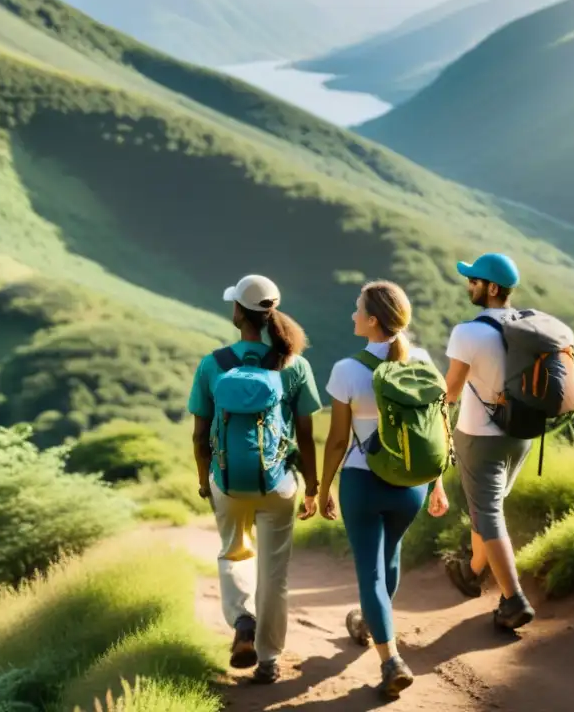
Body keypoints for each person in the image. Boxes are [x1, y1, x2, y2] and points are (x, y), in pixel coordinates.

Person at [318, 280, 450, 700]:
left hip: (363, 480)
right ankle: (372, 625)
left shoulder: (347, 370)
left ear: (373, 320)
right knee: (389, 559)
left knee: (371, 573)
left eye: (358, 309)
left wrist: (323, 489)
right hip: (411, 484)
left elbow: (338, 440)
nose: (353, 315)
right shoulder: (424, 360)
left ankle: (391, 659)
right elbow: (437, 429)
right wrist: (437, 483)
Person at [187, 274, 322, 685]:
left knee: (233, 552)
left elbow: (199, 434)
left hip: (227, 480)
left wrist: (203, 479)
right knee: (275, 575)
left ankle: (242, 621)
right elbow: (305, 434)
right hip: (278, 483)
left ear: (238, 312)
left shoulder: (213, 364)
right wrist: (313, 487)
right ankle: (269, 660)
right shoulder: (294, 364)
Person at [443, 252, 536, 630]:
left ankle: (514, 600)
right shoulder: (527, 327)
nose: (469, 286)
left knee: (488, 513)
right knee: (489, 507)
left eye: (474, 281)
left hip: (480, 437)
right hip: (522, 435)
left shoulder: (468, 332)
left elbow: (449, 391)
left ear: (492, 288)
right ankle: (472, 570)